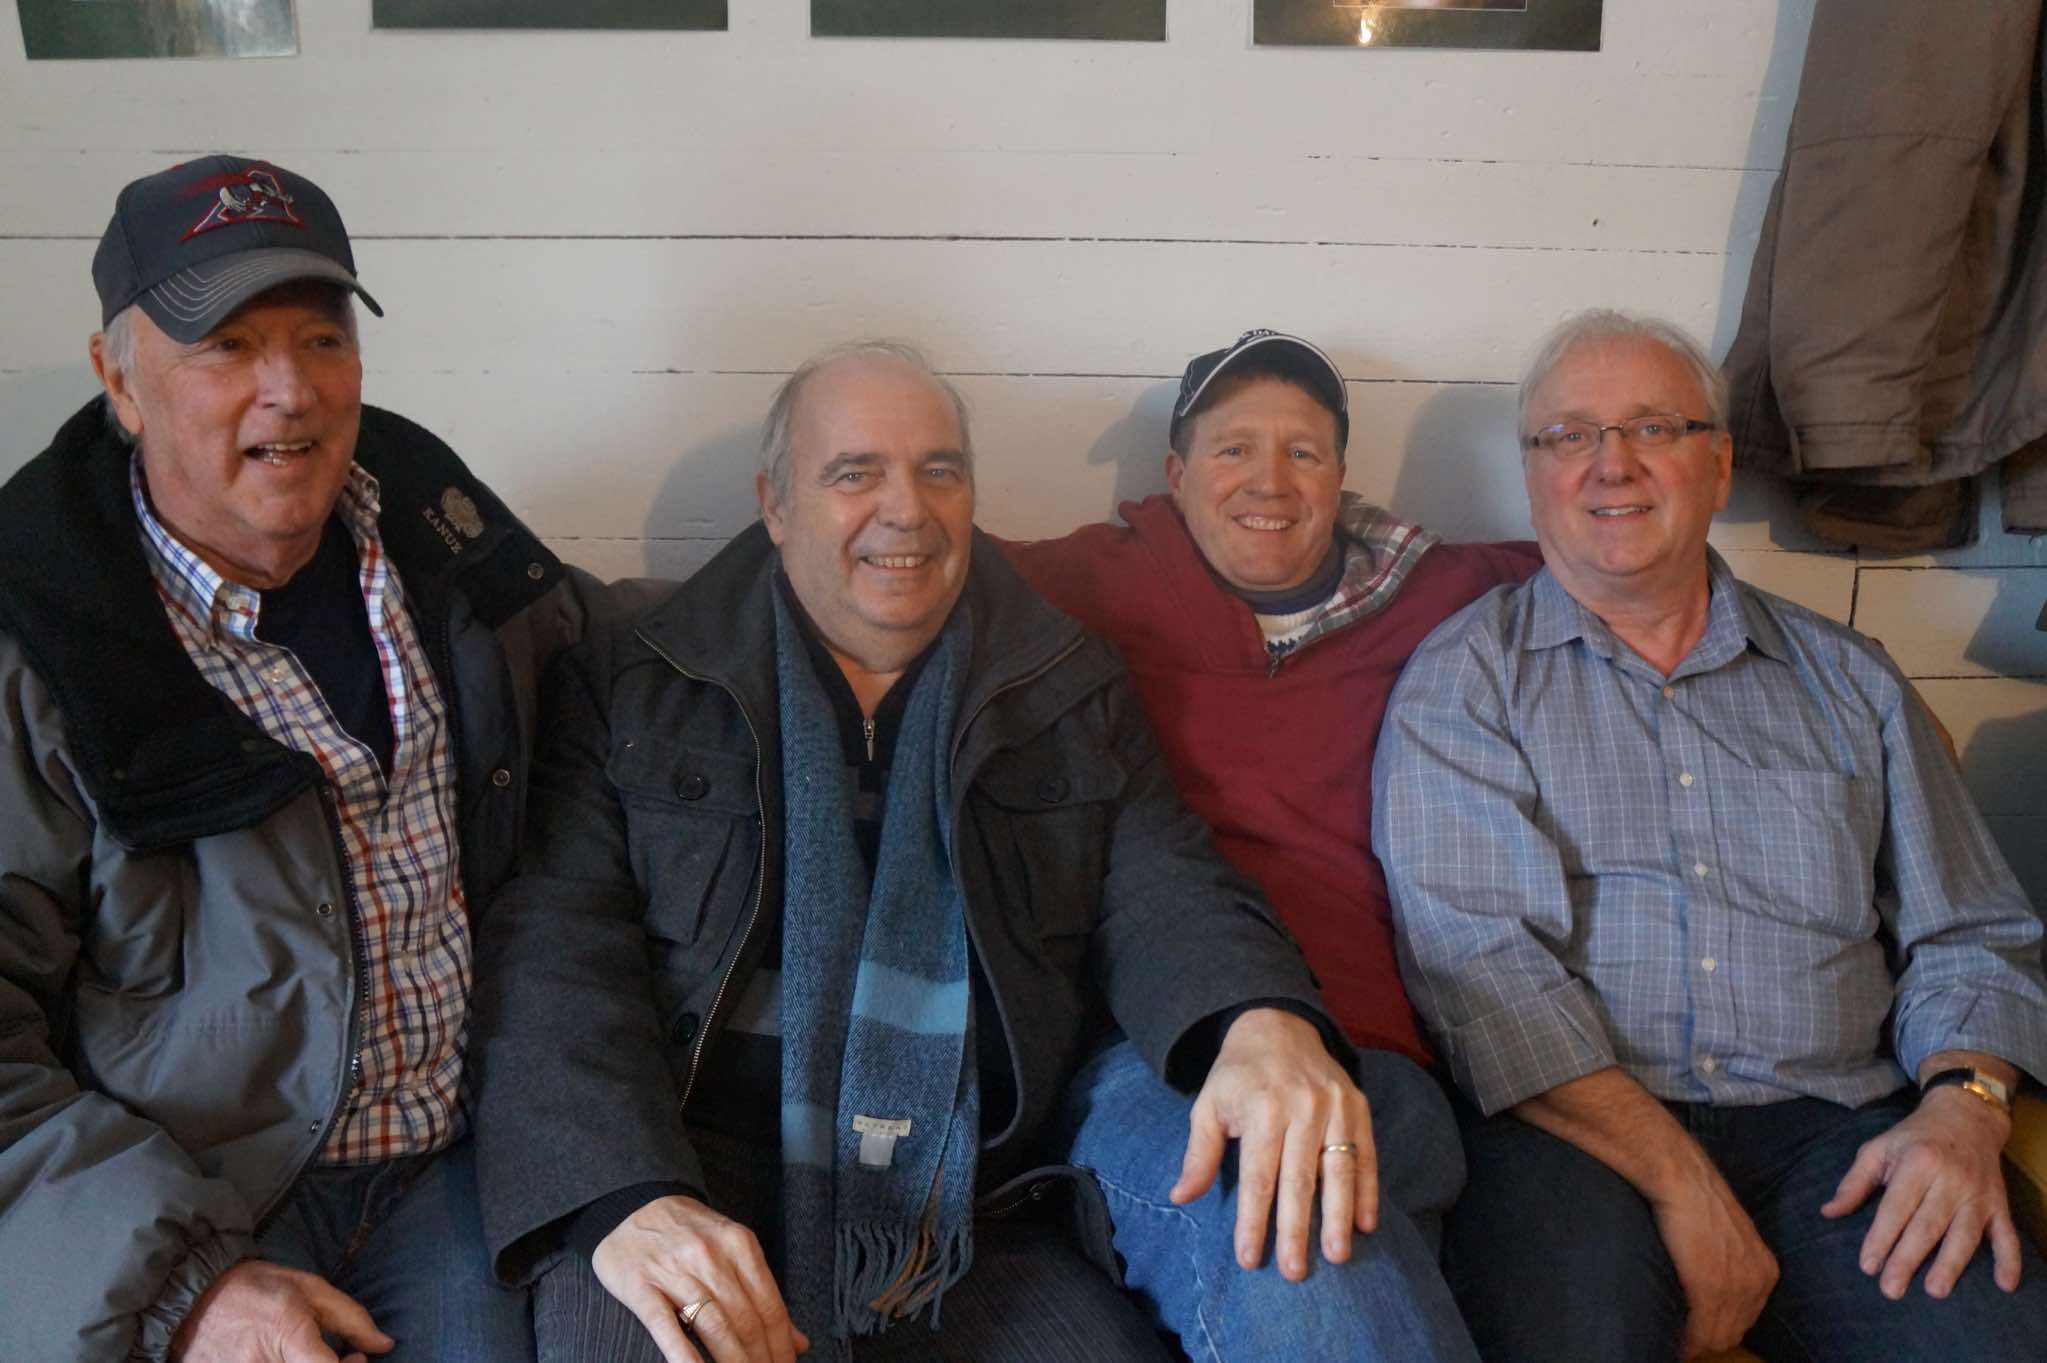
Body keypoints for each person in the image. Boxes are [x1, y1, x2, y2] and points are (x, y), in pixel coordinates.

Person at [469, 340, 1465, 1363]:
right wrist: (623, 1196)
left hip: (972, 1191)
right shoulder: (635, 679)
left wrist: (1256, 1017)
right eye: (855, 473)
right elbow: (553, 952)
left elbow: (1164, 884)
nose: (906, 508)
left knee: (1295, 1201)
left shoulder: (1063, 680)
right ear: (776, 503)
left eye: (938, 470)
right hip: (689, 1166)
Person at [1375, 308, 2047, 1362]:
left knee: (1991, 1339)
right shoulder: (1464, 681)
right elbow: (1482, 974)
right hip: (1577, 1136)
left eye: (1653, 427)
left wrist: (1965, 1108)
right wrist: (1684, 1184)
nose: (1611, 464)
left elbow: (1971, 930)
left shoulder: (1851, 680)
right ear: (1533, 473)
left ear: (1720, 464)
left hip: (1838, 1126)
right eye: (1570, 435)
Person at [0, 155, 586, 1363]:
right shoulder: (39, 641)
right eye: (228, 346)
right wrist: (186, 1289)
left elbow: (617, 692)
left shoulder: (451, 551)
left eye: (323, 339)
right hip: (188, 1197)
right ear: (119, 378)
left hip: (451, 1169)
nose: (291, 390)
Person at [1005, 329, 1537, 1356]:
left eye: (1302, 451)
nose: (1269, 480)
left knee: (1338, 1235)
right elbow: (887, 548)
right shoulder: (1090, 580)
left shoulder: (1434, 591)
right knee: (1297, 1234)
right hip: (1156, 1048)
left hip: (1371, 1053)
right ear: (1176, 475)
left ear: (1339, 479)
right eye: (1233, 448)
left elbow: (1608, 554)